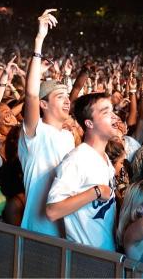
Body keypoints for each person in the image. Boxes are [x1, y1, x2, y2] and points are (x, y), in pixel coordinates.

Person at [18, 9, 74, 237]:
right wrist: (39, 41)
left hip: (67, 227)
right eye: (60, 97)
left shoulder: (68, 136)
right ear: (43, 104)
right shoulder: (35, 132)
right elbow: (31, 95)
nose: (67, 101)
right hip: (39, 230)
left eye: (67, 97)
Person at [46, 93, 118, 251]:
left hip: (106, 253)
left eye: (113, 111)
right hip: (85, 258)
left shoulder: (104, 157)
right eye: (106, 112)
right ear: (89, 123)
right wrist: (96, 191)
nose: (115, 117)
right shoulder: (76, 160)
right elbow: (52, 211)